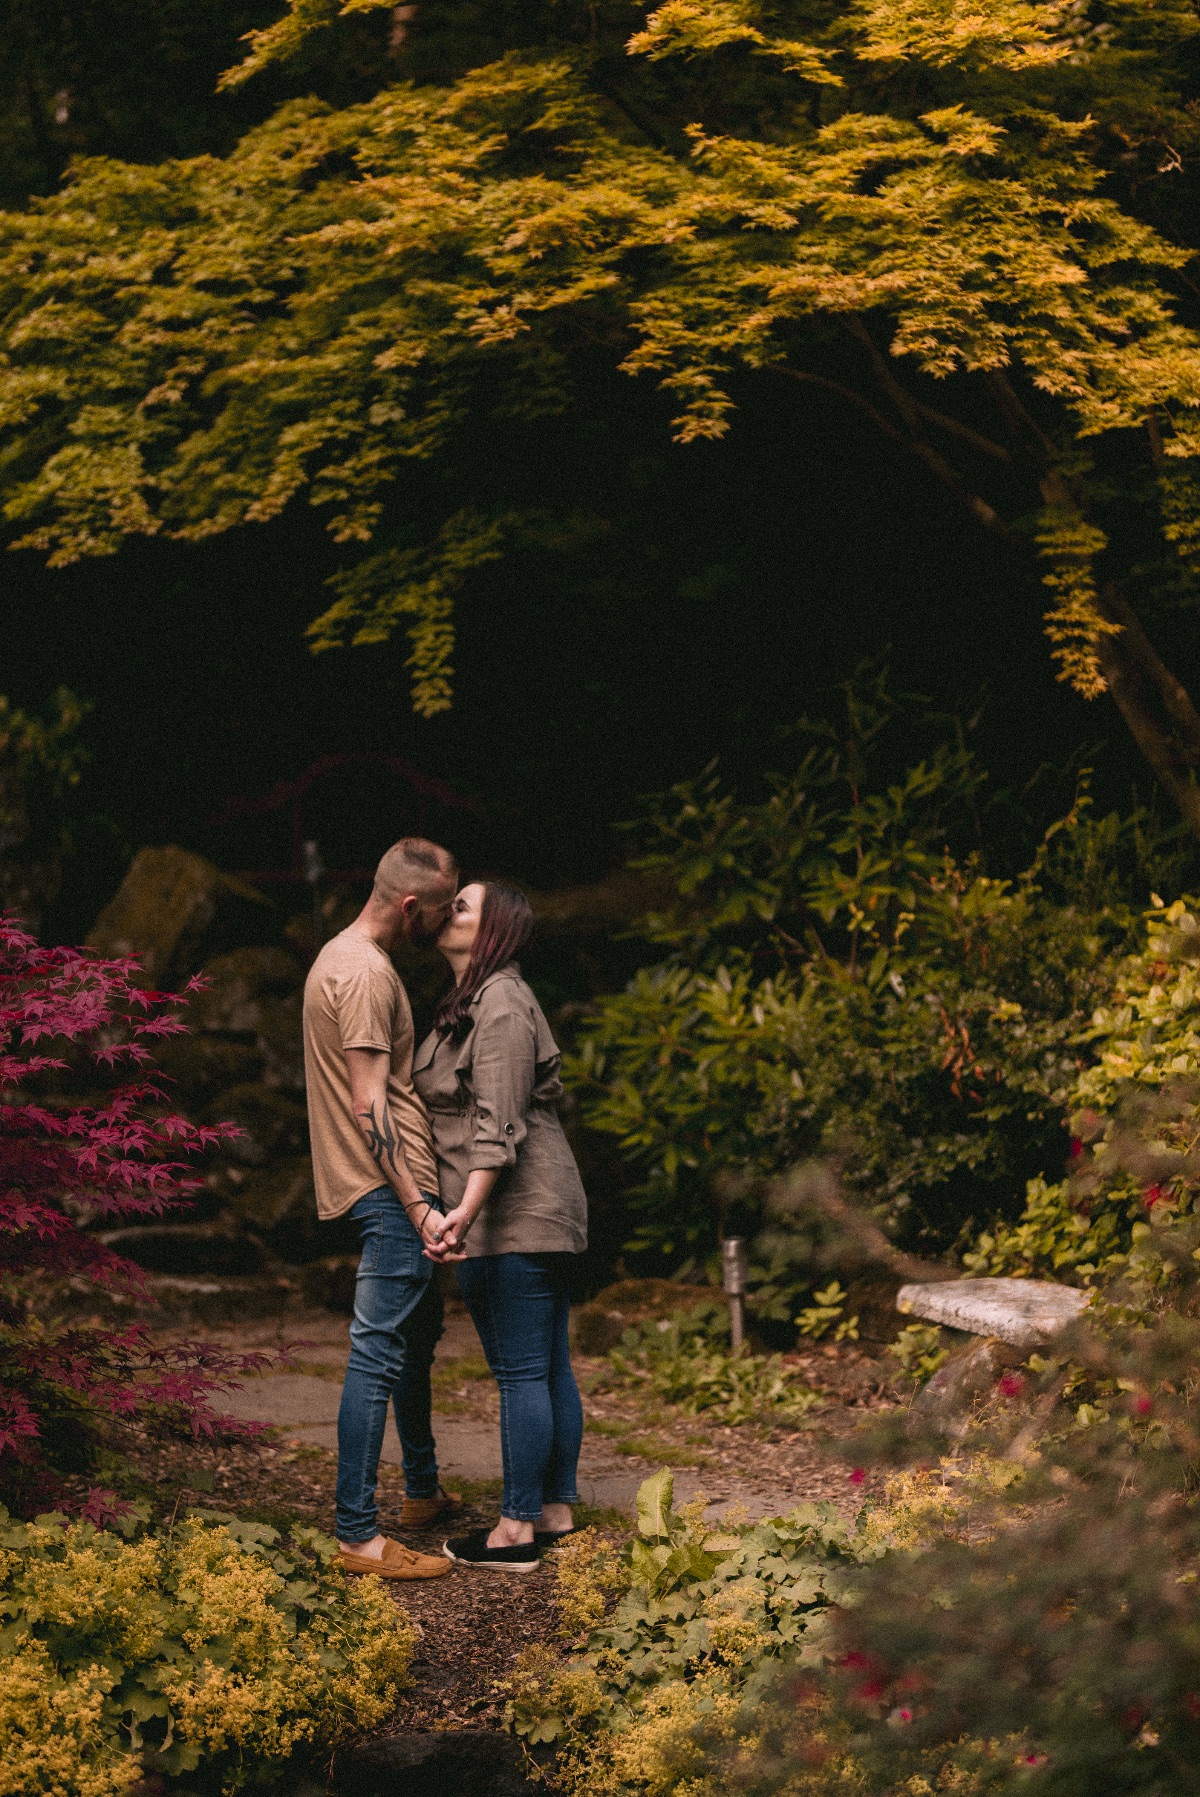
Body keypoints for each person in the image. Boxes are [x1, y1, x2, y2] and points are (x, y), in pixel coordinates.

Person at [414, 881, 588, 1572]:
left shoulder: (503, 1003)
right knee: (544, 1366)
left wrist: (465, 1209)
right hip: (521, 1211)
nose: (447, 910)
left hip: (517, 1212)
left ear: (495, 930)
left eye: (462, 904)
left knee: (522, 1370)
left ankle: (516, 1531)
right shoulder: (476, 1003)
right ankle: (554, 1509)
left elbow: (499, 1125)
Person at [302, 836, 461, 1581]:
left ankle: (423, 1490)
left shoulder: (337, 954)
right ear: (408, 906)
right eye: (441, 906)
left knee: (412, 1344)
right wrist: (418, 1206)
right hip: (389, 1189)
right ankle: (359, 1534)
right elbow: (371, 1105)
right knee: (376, 1357)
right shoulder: (366, 973)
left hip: (386, 1187)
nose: (447, 916)